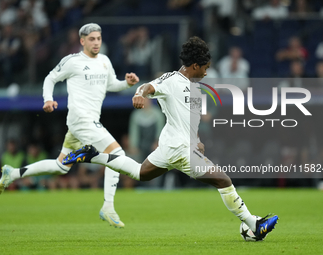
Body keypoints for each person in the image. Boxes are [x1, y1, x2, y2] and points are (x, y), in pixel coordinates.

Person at [61, 36, 278, 240]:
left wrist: (197, 140)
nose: (205, 72)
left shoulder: (194, 88)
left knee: (140, 173)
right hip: (180, 149)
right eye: (205, 68)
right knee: (224, 181)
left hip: (173, 146)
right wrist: (139, 94)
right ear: (195, 66)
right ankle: (254, 224)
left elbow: (187, 120)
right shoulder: (172, 79)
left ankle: (93, 156)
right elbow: (149, 86)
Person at [0, 23, 140, 228]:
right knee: (117, 154)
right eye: (91, 39)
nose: (96, 42)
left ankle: (12, 173)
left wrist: (126, 83)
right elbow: (50, 78)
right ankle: (108, 207)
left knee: (61, 167)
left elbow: (111, 85)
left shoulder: (105, 61)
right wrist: (47, 99)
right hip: (81, 120)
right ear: (82, 41)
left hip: (88, 123)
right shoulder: (73, 61)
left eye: (98, 38)